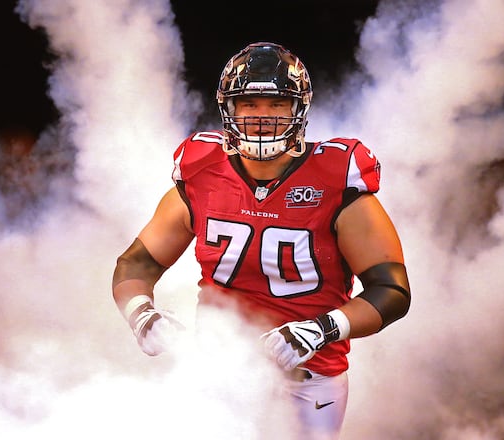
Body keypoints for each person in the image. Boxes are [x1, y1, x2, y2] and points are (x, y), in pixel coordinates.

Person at [112, 42, 411, 439]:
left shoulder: (335, 180)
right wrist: (141, 314)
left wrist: (321, 329)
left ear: (298, 110)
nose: (262, 117)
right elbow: (136, 264)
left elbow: (391, 291)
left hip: (309, 379)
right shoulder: (202, 171)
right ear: (229, 110)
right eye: (249, 103)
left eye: (276, 104)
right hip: (221, 368)